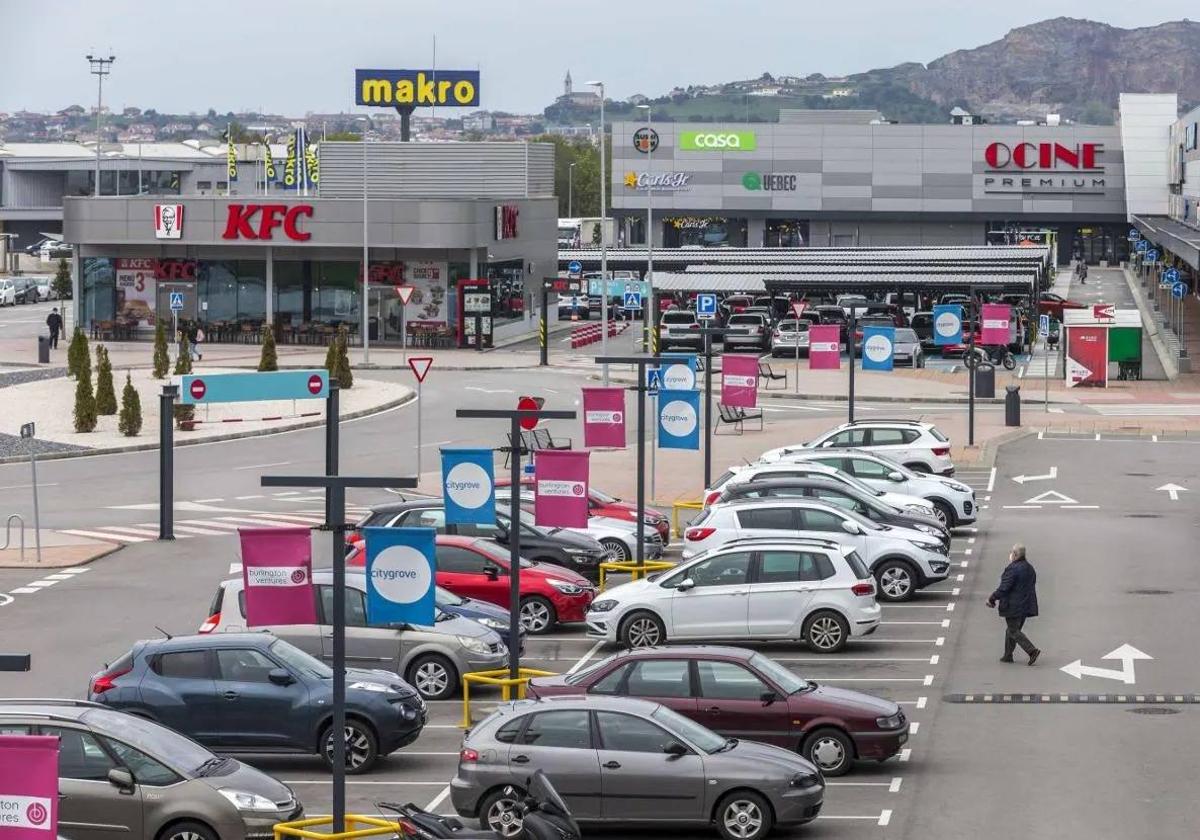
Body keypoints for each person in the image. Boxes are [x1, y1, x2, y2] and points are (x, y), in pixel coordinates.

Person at [987, 544, 1041, 665]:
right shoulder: (1030, 568)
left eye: (1011, 552)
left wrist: (992, 598)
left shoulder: (1012, 569)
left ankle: (1032, 651)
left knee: (1013, 630)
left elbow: (1004, 587)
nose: (1010, 554)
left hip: (1013, 605)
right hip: (1026, 605)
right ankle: (1008, 655)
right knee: (1012, 630)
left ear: (1015, 555)